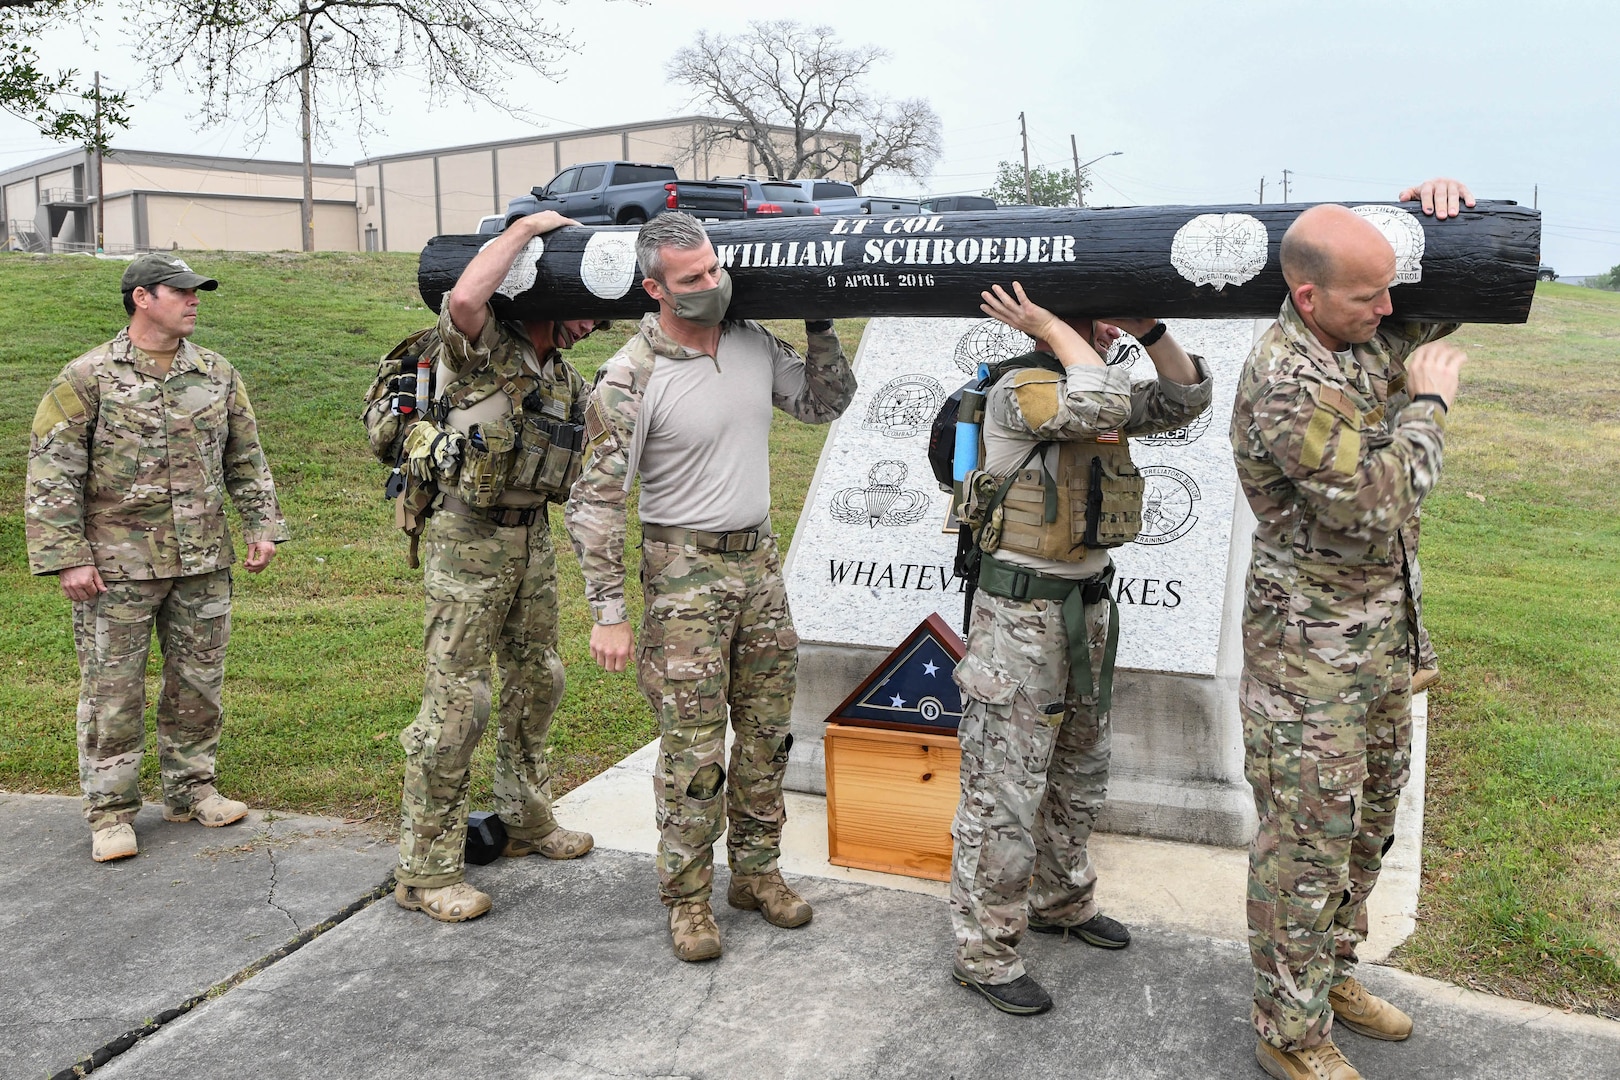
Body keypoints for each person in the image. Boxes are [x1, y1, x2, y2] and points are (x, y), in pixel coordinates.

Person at [565, 211, 856, 962]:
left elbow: (825, 404)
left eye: (715, 269)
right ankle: (687, 899)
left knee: (766, 735)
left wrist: (822, 329)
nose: (711, 285)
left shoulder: (753, 342)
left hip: (759, 567)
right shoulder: (631, 375)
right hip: (682, 578)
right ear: (653, 286)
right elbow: (594, 502)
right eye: (692, 278)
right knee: (694, 750)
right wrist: (608, 614)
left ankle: (756, 873)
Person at [1230, 178, 1471, 1080]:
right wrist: (1429, 409)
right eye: (1370, 293)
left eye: (1389, 287)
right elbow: (1375, 500)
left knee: (1366, 831)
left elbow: (1436, 305)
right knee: (1305, 848)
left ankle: (1329, 980)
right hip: (1309, 668)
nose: (1391, 307)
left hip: (1377, 652)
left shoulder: (1358, 336)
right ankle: (1287, 1033)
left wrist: (1434, 210)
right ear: (1308, 296)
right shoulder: (1290, 379)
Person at [947, 283, 1212, 1014]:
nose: (1104, 332)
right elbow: (1091, 406)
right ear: (1054, 323)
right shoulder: (1020, 388)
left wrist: (1150, 329)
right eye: (1089, 319)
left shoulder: (1104, 379)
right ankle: (984, 951)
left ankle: (1061, 899)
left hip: (1087, 610)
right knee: (1004, 789)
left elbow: (1187, 400)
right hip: (1019, 617)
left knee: (1079, 768)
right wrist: (1057, 329)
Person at [26, 253, 289, 863]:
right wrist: (68, 556)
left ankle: (192, 789)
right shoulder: (88, 375)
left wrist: (262, 525)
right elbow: (51, 472)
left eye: (197, 293)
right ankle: (111, 811)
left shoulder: (217, 373)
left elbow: (245, 456)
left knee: (197, 682)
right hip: (115, 565)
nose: (195, 301)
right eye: (182, 292)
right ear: (142, 297)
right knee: (112, 689)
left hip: (201, 558)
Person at [392, 210, 600, 924]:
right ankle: (425, 869)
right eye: (583, 308)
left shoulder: (565, 373)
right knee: (459, 702)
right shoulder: (483, 349)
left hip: (530, 537)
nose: (593, 322)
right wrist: (527, 228)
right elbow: (463, 299)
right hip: (467, 537)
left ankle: (523, 816)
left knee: (539, 676)